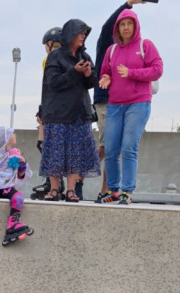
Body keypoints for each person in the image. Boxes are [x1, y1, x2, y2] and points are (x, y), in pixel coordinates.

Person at [97, 8, 163, 205]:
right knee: (110, 148)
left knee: (128, 148)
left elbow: (157, 70)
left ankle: (127, 190)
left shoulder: (145, 45)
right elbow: (105, 72)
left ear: (135, 26)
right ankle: (113, 190)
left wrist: (132, 73)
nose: (126, 28)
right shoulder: (112, 50)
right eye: (122, 25)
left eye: (129, 24)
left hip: (138, 103)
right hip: (115, 105)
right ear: (117, 28)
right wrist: (106, 78)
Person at [39, 19, 101, 202]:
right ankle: (54, 189)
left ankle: (71, 190)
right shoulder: (55, 56)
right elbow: (53, 82)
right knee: (55, 150)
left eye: (85, 33)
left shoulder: (85, 56)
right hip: (57, 112)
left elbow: (92, 83)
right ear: (70, 34)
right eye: (80, 32)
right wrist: (74, 71)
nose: (83, 36)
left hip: (79, 111)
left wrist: (89, 74)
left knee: (75, 152)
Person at [31, 27, 63, 200]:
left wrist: (43, 108)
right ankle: (56, 183)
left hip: (52, 108)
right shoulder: (69, 58)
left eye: (46, 45)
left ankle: (54, 184)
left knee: (46, 145)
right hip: (65, 108)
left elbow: (48, 86)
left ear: (51, 45)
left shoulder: (48, 59)